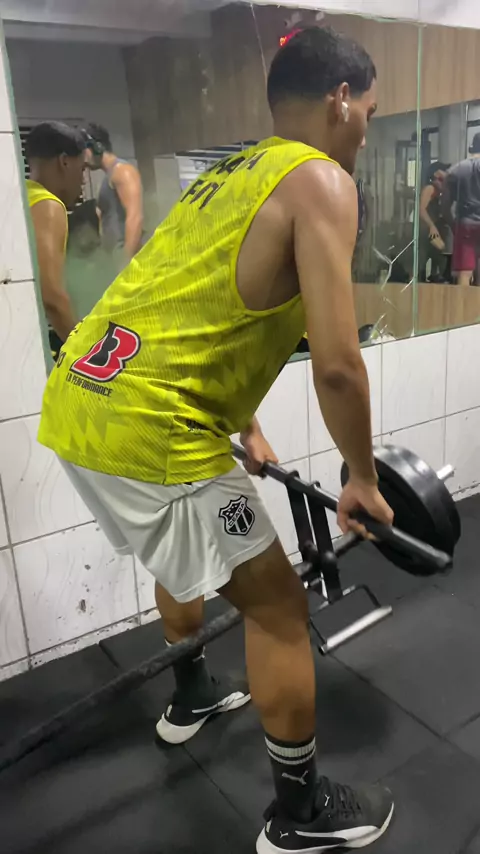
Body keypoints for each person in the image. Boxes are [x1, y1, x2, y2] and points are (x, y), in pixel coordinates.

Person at [38, 27, 394, 853]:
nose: (366, 131)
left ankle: (192, 692)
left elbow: (193, 309)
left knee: (184, 554)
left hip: (80, 404)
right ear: (342, 100)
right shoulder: (322, 181)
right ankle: (301, 815)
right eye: (371, 113)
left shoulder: (227, 177)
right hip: (154, 431)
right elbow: (339, 367)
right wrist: (363, 479)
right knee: (277, 608)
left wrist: (248, 426)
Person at [25, 121, 85, 359]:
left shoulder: (22, 195)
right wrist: (87, 353)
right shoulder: (47, 205)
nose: (82, 181)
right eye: (82, 169)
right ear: (64, 162)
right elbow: (52, 298)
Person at [83, 123, 144, 269]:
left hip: (126, 261)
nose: (81, 158)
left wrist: (126, 263)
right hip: (115, 259)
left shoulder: (123, 171)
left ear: (97, 147)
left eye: (83, 151)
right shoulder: (109, 176)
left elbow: (135, 217)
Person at [444, 132, 480, 287]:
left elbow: (445, 205)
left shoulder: (456, 170)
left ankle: (462, 303)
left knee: (464, 273)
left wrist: (454, 226)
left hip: (464, 224)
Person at [419, 161, 451, 283]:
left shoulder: (439, 192)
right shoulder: (430, 189)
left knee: (438, 253)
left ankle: (434, 274)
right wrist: (431, 226)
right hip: (426, 230)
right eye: (441, 179)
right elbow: (421, 210)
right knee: (439, 250)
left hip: (435, 228)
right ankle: (429, 274)